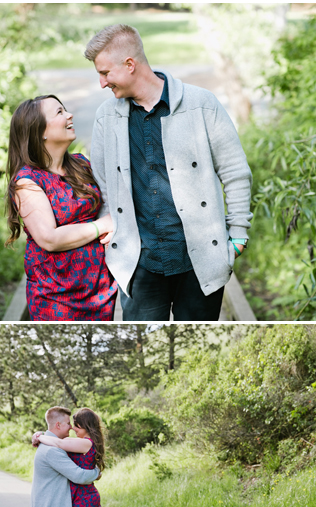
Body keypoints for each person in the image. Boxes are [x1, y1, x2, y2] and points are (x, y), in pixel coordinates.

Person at [86, 24, 253, 321]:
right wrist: (108, 223)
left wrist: (238, 236)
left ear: (130, 64)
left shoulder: (202, 105)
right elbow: (101, 184)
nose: (101, 83)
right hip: (138, 264)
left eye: (105, 73)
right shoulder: (105, 118)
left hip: (201, 261)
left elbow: (236, 172)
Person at [6, 95, 117, 321]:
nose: (69, 115)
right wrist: (102, 225)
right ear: (40, 132)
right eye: (59, 112)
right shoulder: (27, 182)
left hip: (100, 290)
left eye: (65, 110)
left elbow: (110, 203)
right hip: (56, 296)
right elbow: (49, 238)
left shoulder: (81, 164)